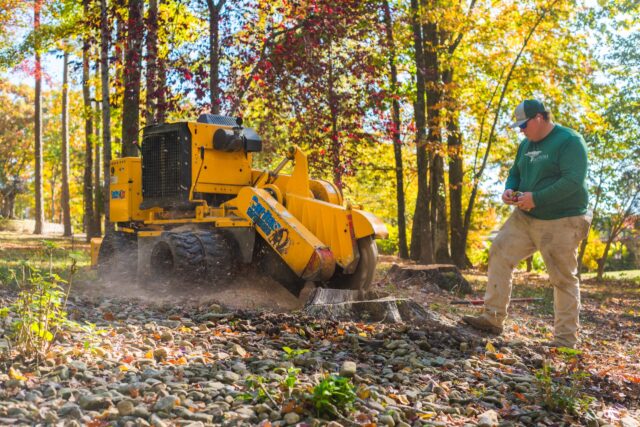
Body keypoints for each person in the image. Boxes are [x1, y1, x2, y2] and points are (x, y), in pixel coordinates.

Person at [463, 99, 590, 348]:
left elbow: (574, 180)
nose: (521, 130)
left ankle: (565, 340)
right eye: (519, 127)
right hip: (526, 217)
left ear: (540, 118)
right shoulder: (525, 145)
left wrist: (537, 198)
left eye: (524, 125)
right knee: (499, 251)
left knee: (562, 277)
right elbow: (516, 172)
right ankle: (493, 317)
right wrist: (510, 189)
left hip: (563, 219)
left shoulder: (569, 141)